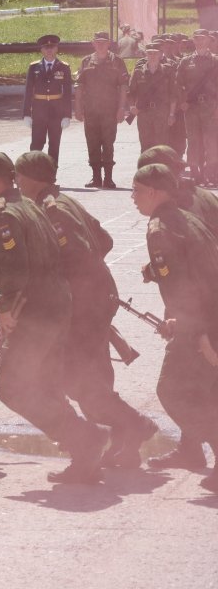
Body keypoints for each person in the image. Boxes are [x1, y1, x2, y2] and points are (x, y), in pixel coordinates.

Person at [14, 151, 157, 467]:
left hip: (83, 306)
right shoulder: (63, 202)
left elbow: (74, 258)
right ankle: (126, 441)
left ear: (31, 178)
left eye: (18, 176)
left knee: (76, 378)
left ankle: (134, 425)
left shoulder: (53, 211)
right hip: (93, 299)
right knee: (91, 376)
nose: (17, 183)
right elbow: (103, 240)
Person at [0, 152, 106, 483]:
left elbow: (17, 268)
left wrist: (5, 308)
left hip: (35, 313)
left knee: (14, 388)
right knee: (44, 382)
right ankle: (84, 455)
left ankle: (85, 437)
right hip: (57, 306)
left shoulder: (3, 216)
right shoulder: (29, 205)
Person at [131, 164, 218, 493]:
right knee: (207, 391)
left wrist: (197, 333)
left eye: (136, 191)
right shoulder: (185, 217)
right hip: (208, 314)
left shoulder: (159, 228)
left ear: (153, 192)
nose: (133, 198)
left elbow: (182, 286)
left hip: (204, 321)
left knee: (173, 390)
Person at [75, 32, 130, 188]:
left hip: (109, 110)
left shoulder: (117, 61)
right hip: (91, 110)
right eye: (97, 42)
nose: (100, 45)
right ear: (93, 44)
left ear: (108, 44)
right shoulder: (86, 61)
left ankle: (109, 178)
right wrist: (77, 108)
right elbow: (80, 86)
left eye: (103, 42)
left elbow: (124, 87)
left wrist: (121, 108)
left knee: (108, 143)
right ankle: (95, 177)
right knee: (92, 143)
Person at [175, 30, 218, 186]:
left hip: (210, 107)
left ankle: (210, 173)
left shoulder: (215, 61)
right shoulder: (186, 62)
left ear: (208, 41)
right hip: (191, 107)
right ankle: (195, 173)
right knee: (193, 140)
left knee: (211, 141)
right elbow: (178, 84)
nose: (199, 41)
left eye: (202, 39)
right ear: (193, 41)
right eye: (197, 39)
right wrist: (182, 101)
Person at [23, 34, 74, 164]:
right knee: (36, 143)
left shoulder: (64, 67)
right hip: (39, 110)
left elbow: (67, 92)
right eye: (46, 48)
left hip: (56, 111)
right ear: (41, 50)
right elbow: (28, 91)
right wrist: (26, 114)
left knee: (54, 144)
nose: (49, 50)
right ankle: (32, 173)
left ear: (57, 49)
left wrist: (67, 115)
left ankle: (51, 176)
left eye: (52, 47)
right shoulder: (34, 67)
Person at [128, 46, 177, 152]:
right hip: (144, 113)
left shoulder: (167, 71)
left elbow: (173, 94)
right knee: (145, 144)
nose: (152, 56)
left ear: (160, 54)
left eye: (155, 53)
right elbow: (131, 92)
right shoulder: (138, 72)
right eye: (150, 53)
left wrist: (172, 114)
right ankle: (147, 168)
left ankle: (161, 168)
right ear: (146, 54)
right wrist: (132, 106)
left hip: (162, 112)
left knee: (162, 144)